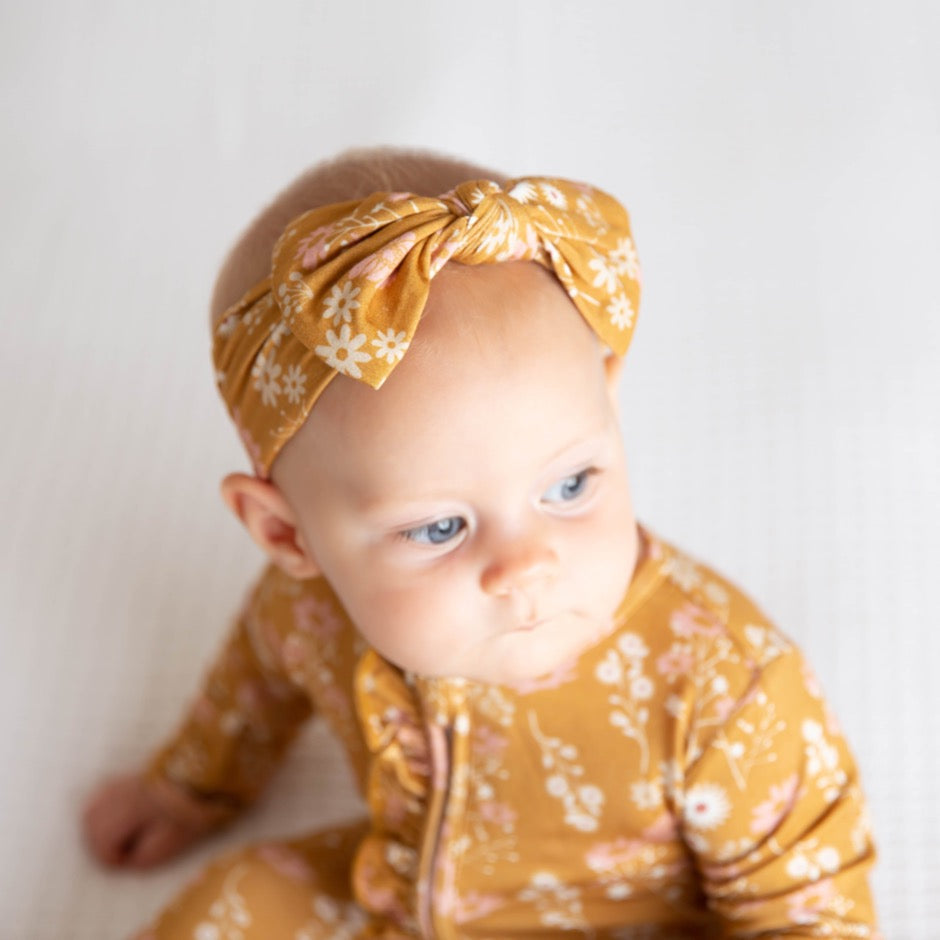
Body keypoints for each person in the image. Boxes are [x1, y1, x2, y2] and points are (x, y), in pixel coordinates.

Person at [83, 147, 879, 938]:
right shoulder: (308, 607)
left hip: (637, 924)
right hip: (403, 902)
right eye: (439, 528)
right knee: (239, 900)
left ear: (609, 405)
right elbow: (252, 688)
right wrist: (187, 789)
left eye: (569, 485)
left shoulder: (721, 684)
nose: (527, 566)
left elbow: (814, 910)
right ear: (290, 534)